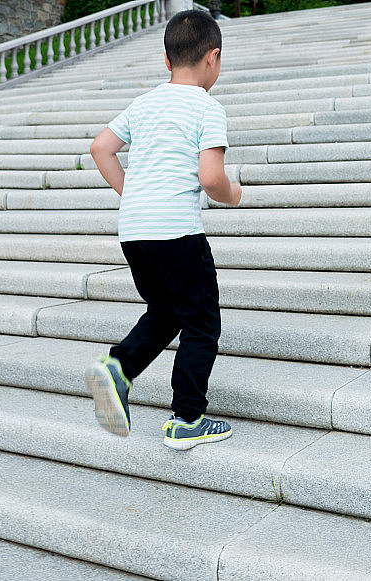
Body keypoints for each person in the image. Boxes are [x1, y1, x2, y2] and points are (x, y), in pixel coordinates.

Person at [86, 9, 241, 451]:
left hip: (135, 232)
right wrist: (234, 194)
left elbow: (101, 148)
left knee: (167, 311)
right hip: (177, 233)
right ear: (213, 58)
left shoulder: (145, 103)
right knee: (201, 323)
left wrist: (129, 192)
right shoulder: (208, 107)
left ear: (167, 61)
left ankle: (119, 368)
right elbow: (211, 179)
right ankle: (187, 418)